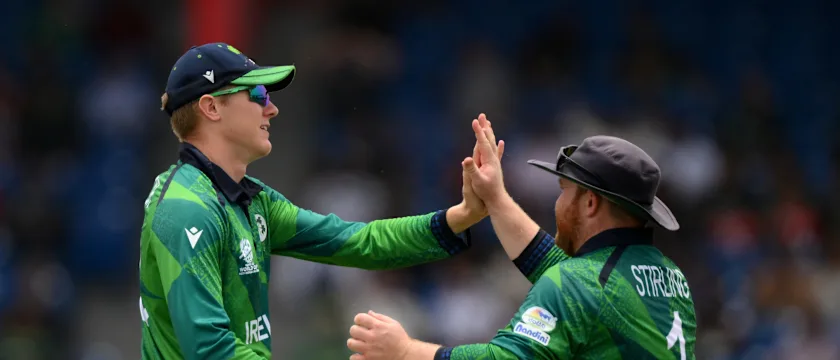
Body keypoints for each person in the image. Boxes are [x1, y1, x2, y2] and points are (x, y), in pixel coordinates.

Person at [138, 42, 503, 360]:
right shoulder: (186, 209)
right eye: (258, 94)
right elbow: (209, 350)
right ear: (211, 108)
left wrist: (463, 215)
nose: (272, 108)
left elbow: (360, 242)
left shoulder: (251, 199)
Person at [347, 119, 697, 359]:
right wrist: (496, 198)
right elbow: (570, 279)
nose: (557, 204)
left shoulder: (582, 284)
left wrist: (406, 351)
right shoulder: (671, 277)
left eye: (564, 191)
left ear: (590, 203)